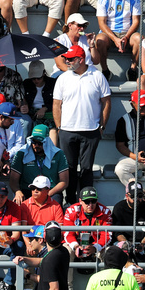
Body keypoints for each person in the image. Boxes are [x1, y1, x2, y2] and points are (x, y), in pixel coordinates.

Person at [53, 44, 112, 197]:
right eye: (66, 59)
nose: (67, 62)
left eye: (70, 59)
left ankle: (87, 201)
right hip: (67, 130)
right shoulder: (63, 78)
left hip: (90, 130)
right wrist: (59, 127)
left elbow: (107, 102)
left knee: (87, 168)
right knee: (69, 168)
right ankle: (71, 202)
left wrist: (102, 126)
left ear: (81, 59)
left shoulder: (97, 76)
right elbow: (56, 104)